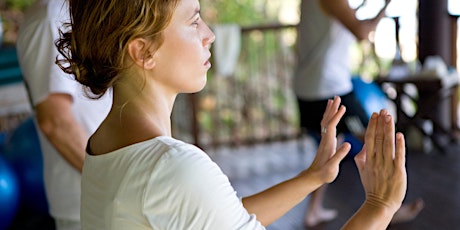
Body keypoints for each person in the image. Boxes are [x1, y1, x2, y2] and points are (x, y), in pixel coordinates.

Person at [56, 0, 407, 229]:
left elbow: (221, 218)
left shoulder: (103, 143)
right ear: (143, 51)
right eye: (194, 22)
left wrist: (313, 176)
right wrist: (379, 206)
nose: (208, 35)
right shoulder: (173, 168)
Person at [293, 0, 424, 227]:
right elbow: (362, 32)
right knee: (377, 139)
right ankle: (388, 209)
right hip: (329, 88)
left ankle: (313, 210)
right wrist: (385, 7)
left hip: (309, 86)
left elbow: (345, 19)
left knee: (329, 149)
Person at [16, 0, 112, 229]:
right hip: (90, 203)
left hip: (107, 197)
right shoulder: (50, 17)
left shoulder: (80, 11)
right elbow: (55, 121)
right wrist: (113, 182)